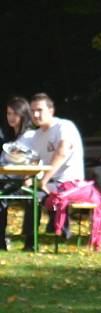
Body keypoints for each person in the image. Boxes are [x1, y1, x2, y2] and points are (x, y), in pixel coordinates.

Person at [21, 93, 85, 250]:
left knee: (43, 193)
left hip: (70, 183)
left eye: (39, 110)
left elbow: (62, 152)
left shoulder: (64, 127)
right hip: (49, 183)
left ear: (51, 110)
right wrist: (28, 180)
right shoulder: (36, 136)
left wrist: (43, 180)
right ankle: (30, 242)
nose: (35, 115)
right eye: (32, 111)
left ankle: (60, 228)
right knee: (31, 196)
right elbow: (32, 161)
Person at [0, 97, 37, 250]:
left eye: (15, 114)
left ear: (23, 115)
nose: (11, 118)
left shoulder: (31, 136)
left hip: (22, 180)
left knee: (32, 200)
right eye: (9, 114)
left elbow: (35, 159)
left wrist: (28, 176)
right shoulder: (6, 136)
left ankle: (29, 241)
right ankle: (2, 239)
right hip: (5, 178)